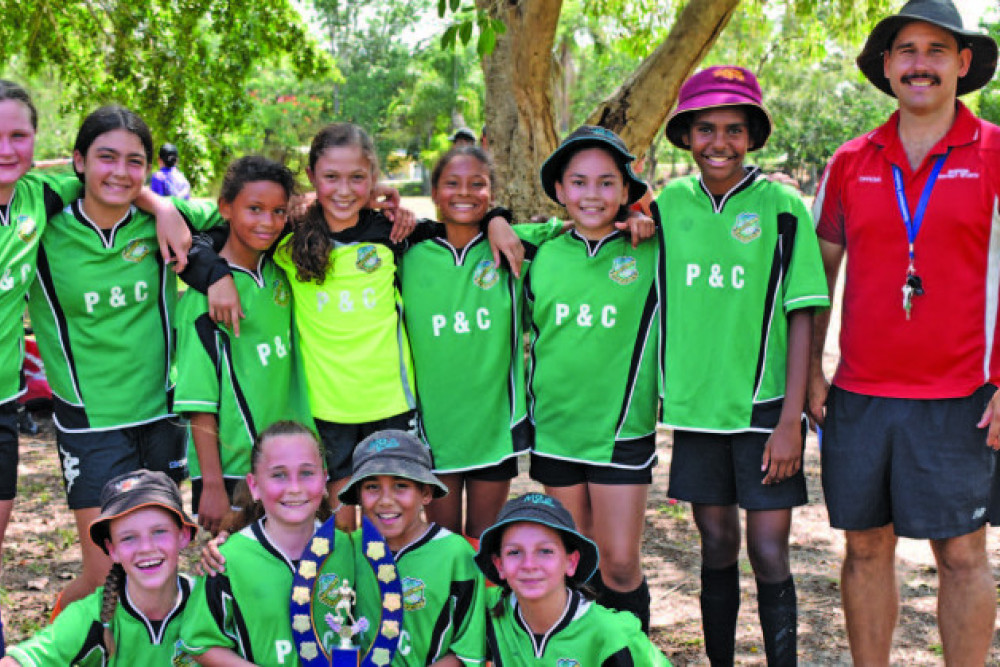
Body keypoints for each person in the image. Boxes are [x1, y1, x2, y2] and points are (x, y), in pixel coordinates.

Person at [808, 1, 1000, 664]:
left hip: (963, 394)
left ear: (963, 63)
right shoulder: (850, 161)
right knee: (864, 548)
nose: (921, 64)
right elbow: (818, 279)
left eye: (936, 50)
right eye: (907, 51)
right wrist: (809, 373)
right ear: (887, 67)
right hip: (860, 392)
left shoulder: (997, 152)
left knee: (964, 553)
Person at [658, 66, 829, 666]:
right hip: (699, 409)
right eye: (705, 128)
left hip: (764, 410)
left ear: (752, 135)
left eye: (734, 128)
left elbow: (802, 310)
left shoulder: (781, 205)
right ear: (686, 135)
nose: (719, 142)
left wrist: (791, 420)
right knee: (716, 544)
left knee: (768, 548)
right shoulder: (666, 205)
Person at [27, 105, 219, 613]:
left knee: (157, 565)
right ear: (78, 161)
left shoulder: (162, 221)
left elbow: (253, 207)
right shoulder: (44, 230)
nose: (119, 171)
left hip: (160, 413)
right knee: (102, 575)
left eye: (135, 161)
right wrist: (160, 202)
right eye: (105, 157)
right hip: (92, 425)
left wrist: (164, 209)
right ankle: (59, 643)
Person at [528, 125, 661, 631]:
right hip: (558, 429)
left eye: (608, 183)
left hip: (622, 430)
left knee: (620, 564)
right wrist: (498, 219)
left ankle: (631, 652)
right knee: (577, 563)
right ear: (559, 191)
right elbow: (488, 227)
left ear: (627, 191)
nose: (592, 195)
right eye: (578, 182)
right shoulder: (538, 250)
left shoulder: (650, 248)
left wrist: (644, 212)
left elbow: (680, 217)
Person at [401, 146, 564, 543]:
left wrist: (634, 219)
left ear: (492, 192)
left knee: (483, 541)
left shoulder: (517, 247)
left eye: (479, 184)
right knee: (441, 543)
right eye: (452, 184)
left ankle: (484, 606)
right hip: (434, 428)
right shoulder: (405, 252)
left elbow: (588, 226)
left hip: (494, 425)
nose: (465, 193)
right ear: (435, 193)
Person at [173, 156, 313, 534]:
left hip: (292, 463)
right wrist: (213, 485)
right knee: (235, 577)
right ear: (225, 208)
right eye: (254, 209)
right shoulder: (204, 298)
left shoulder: (283, 271)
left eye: (278, 211)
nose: (267, 222)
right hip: (233, 472)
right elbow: (198, 401)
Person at [179, 421, 353, 665]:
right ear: (254, 486)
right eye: (279, 475)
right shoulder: (228, 559)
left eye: (306, 473)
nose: (294, 488)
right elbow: (200, 643)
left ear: (325, 480)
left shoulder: (349, 549)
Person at [0, 469, 197, 666]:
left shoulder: (209, 601)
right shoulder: (92, 614)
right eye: (128, 537)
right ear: (112, 549)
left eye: (159, 531)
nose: (146, 548)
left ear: (183, 534)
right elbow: (19, 661)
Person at [337, 429, 486, 665]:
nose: (386, 500)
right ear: (358, 494)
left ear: (426, 493)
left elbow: (467, 651)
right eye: (372, 487)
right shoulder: (347, 550)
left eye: (401, 485)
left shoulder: (456, 555)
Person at [475, 493, 670, 666]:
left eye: (545, 551)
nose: (529, 565)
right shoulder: (482, 610)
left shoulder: (612, 636)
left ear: (571, 562)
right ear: (499, 564)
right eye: (514, 552)